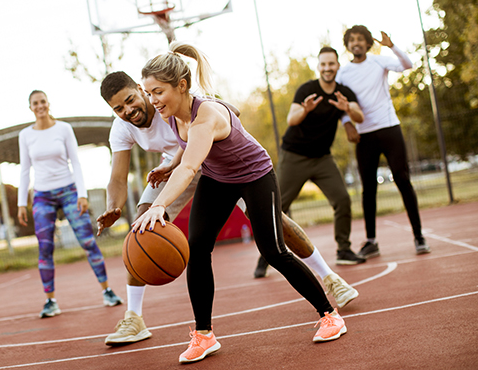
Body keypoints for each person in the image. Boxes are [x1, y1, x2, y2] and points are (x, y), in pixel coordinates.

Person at [98, 71, 358, 347]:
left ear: (141, 90)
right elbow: (118, 177)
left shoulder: (173, 98)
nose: (128, 110)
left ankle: (329, 278)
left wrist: (216, 116)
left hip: (223, 164)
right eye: (118, 108)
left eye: (130, 100)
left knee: (274, 230)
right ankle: (136, 318)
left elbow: (227, 112)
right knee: (143, 229)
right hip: (177, 168)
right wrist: (114, 207)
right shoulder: (126, 126)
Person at [253, 47, 366, 278]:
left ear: (337, 66)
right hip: (295, 156)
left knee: (342, 200)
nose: (327, 68)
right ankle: (266, 256)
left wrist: (347, 110)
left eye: (331, 64)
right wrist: (305, 110)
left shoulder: (343, 93)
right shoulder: (307, 89)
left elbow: (359, 115)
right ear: (319, 66)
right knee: (277, 207)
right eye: (323, 64)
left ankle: (344, 249)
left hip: (322, 159)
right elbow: (291, 119)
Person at [18, 90, 123, 319]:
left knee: (87, 241)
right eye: (35, 103)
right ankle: (50, 301)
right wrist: (20, 203)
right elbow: (25, 169)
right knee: (45, 248)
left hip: (68, 191)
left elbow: (75, 161)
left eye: (43, 102)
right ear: (30, 107)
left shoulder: (63, 129)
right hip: (42, 196)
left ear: (48, 103)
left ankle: (107, 291)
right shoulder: (25, 135)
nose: (40, 106)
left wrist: (82, 195)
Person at [336, 25, 431, 257]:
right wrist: (347, 123)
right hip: (364, 135)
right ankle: (371, 241)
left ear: (368, 44)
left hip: (389, 128)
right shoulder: (343, 73)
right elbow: (337, 102)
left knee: (402, 179)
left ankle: (418, 236)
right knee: (368, 189)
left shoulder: (379, 61)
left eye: (360, 39)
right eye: (352, 40)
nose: (356, 43)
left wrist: (392, 46)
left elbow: (407, 64)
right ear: (347, 45)